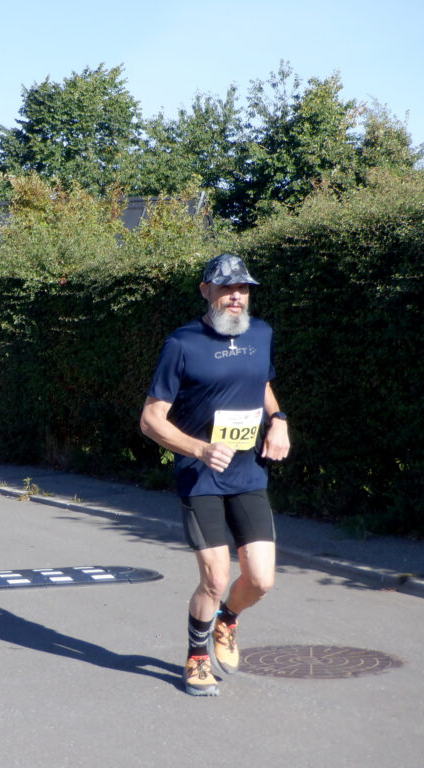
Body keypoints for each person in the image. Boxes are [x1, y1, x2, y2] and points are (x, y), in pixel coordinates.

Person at [139, 253, 291, 697]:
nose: (236, 296)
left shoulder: (261, 334)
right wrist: (200, 449)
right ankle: (197, 657)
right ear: (206, 291)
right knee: (215, 577)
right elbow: (151, 419)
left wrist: (278, 418)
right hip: (199, 474)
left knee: (261, 579)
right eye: (226, 288)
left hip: (248, 473)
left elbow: (262, 383)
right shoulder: (182, 344)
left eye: (242, 289)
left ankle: (226, 620)